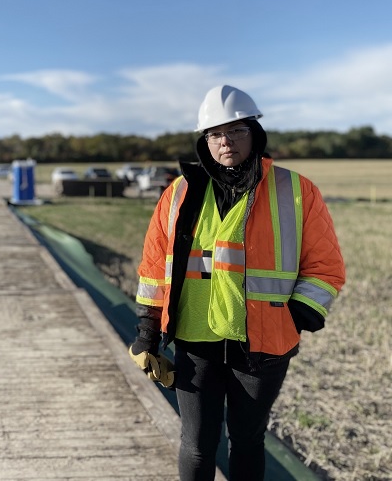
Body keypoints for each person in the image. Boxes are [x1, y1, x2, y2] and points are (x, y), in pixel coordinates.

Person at [128, 85, 345, 480]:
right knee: (196, 444)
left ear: (255, 134)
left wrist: (299, 314)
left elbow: (325, 265)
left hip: (264, 346)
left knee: (247, 441)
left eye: (236, 131)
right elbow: (154, 266)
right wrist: (147, 327)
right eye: (214, 134)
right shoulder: (179, 194)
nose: (225, 141)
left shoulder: (296, 191)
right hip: (196, 344)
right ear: (203, 141)